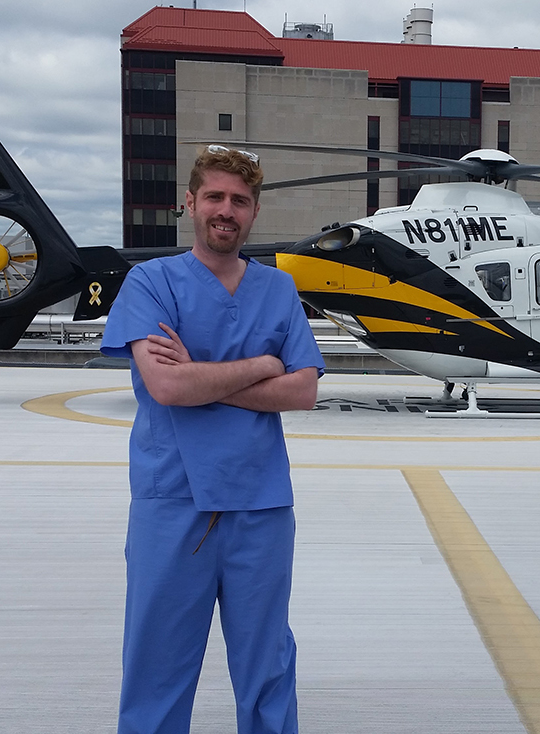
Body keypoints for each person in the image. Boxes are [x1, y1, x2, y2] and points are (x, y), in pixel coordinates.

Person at [100, 145, 324, 734]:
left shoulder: (278, 288)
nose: (227, 210)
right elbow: (167, 387)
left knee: (268, 668)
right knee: (156, 669)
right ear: (190, 204)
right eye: (215, 197)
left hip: (261, 506)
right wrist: (260, 366)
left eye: (240, 201)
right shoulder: (150, 282)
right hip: (172, 501)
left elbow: (303, 392)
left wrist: (202, 374)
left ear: (254, 212)